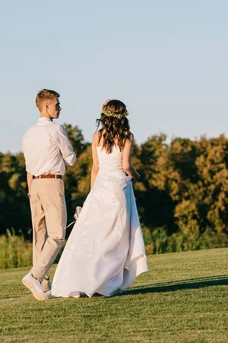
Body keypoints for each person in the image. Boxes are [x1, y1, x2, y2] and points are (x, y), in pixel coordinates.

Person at [51, 99, 148, 297]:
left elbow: (95, 168)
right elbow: (127, 166)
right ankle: (106, 281)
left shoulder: (97, 136)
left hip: (101, 188)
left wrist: (92, 194)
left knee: (94, 235)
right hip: (119, 188)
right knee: (116, 236)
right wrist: (138, 177)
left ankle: (89, 279)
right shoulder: (126, 137)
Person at [21, 89, 76, 301]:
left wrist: (30, 191)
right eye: (57, 105)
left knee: (39, 236)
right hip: (52, 183)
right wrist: (67, 158)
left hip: (33, 185)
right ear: (46, 106)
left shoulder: (28, 133)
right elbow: (70, 158)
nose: (60, 108)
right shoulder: (56, 129)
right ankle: (34, 276)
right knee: (57, 235)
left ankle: (43, 285)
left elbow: (28, 167)